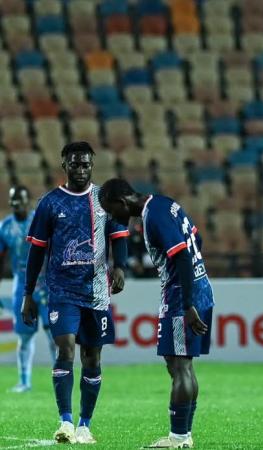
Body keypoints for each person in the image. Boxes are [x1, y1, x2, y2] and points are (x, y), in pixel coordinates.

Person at [22, 142, 129, 445]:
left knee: (92, 357)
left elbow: (118, 237)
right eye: (74, 164)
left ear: (92, 165)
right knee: (66, 349)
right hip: (62, 290)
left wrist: (120, 267)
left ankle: (85, 424)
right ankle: (66, 421)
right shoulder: (50, 203)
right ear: (64, 165)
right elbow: (36, 252)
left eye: (85, 164)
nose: (80, 169)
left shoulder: (105, 200)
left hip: (96, 292)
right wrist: (28, 294)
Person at [98, 178, 214, 449]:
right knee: (181, 364)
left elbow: (182, 255)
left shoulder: (154, 217)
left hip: (182, 296)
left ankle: (179, 438)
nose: (113, 217)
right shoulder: (165, 204)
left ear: (122, 202)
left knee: (179, 365)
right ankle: (184, 435)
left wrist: (187, 305)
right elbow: (196, 238)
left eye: (112, 210)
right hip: (199, 287)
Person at [0, 185, 56, 392]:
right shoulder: (4, 227)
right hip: (21, 287)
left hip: (47, 285)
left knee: (55, 336)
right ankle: (24, 381)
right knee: (24, 336)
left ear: (28, 202)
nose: (17, 205)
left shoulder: (41, 221)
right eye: (14, 201)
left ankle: (60, 377)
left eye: (21, 201)